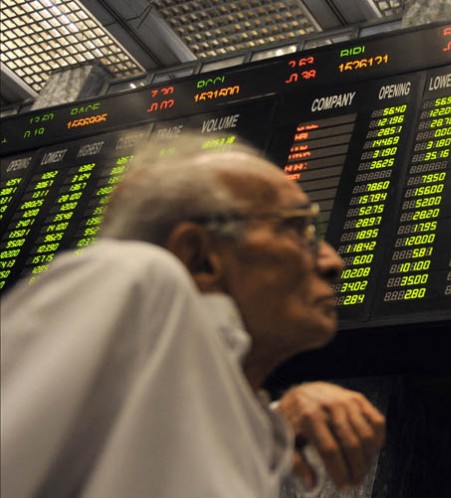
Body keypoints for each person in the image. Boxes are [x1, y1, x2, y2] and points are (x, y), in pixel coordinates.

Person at [0, 135, 385, 498]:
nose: (333, 262)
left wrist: (267, 421)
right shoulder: (138, 276)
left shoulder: (246, 429)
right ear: (198, 257)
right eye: (299, 229)